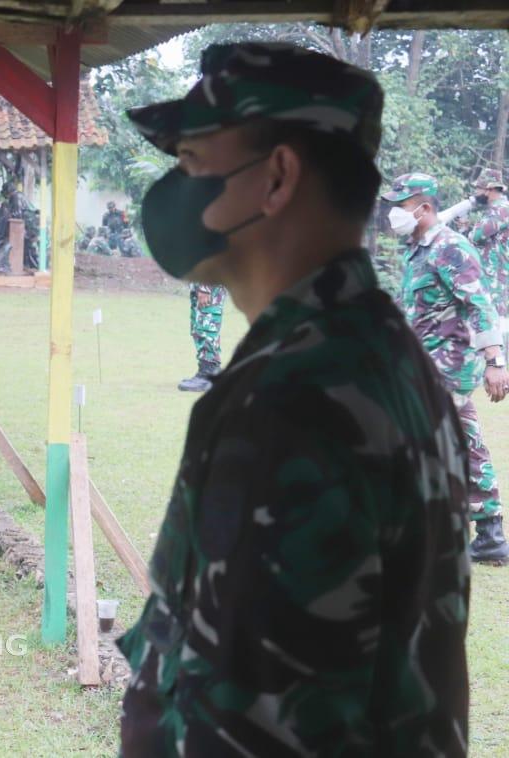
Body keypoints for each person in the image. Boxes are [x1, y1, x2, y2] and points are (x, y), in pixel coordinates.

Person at [119, 42, 471, 755]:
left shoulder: (288, 403)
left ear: (276, 177)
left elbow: (252, 726)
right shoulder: (381, 350)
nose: (173, 189)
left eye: (190, 162)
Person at [382, 172, 509, 564]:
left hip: (449, 364)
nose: (394, 214)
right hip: (424, 362)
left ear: (424, 207)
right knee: (464, 438)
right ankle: (489, 532)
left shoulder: (451, 247)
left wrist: (496, 361)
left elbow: (480, 304)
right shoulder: (418, 250)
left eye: (401, 206)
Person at [469, 168, 509, 332]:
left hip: (497, 281)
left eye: (479, 189)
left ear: (490, 189)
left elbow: (477, 235)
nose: (476, 193)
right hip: (492, 278)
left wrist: (470, 231)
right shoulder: (496, 211)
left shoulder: (502, 209)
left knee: (497, 326)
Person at [176, 283, 225, 391]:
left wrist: (205, 288)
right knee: (199, 329)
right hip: (201, 284)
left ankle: (207, 373)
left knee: (206, 329)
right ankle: (211, 372)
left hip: (209, 284)